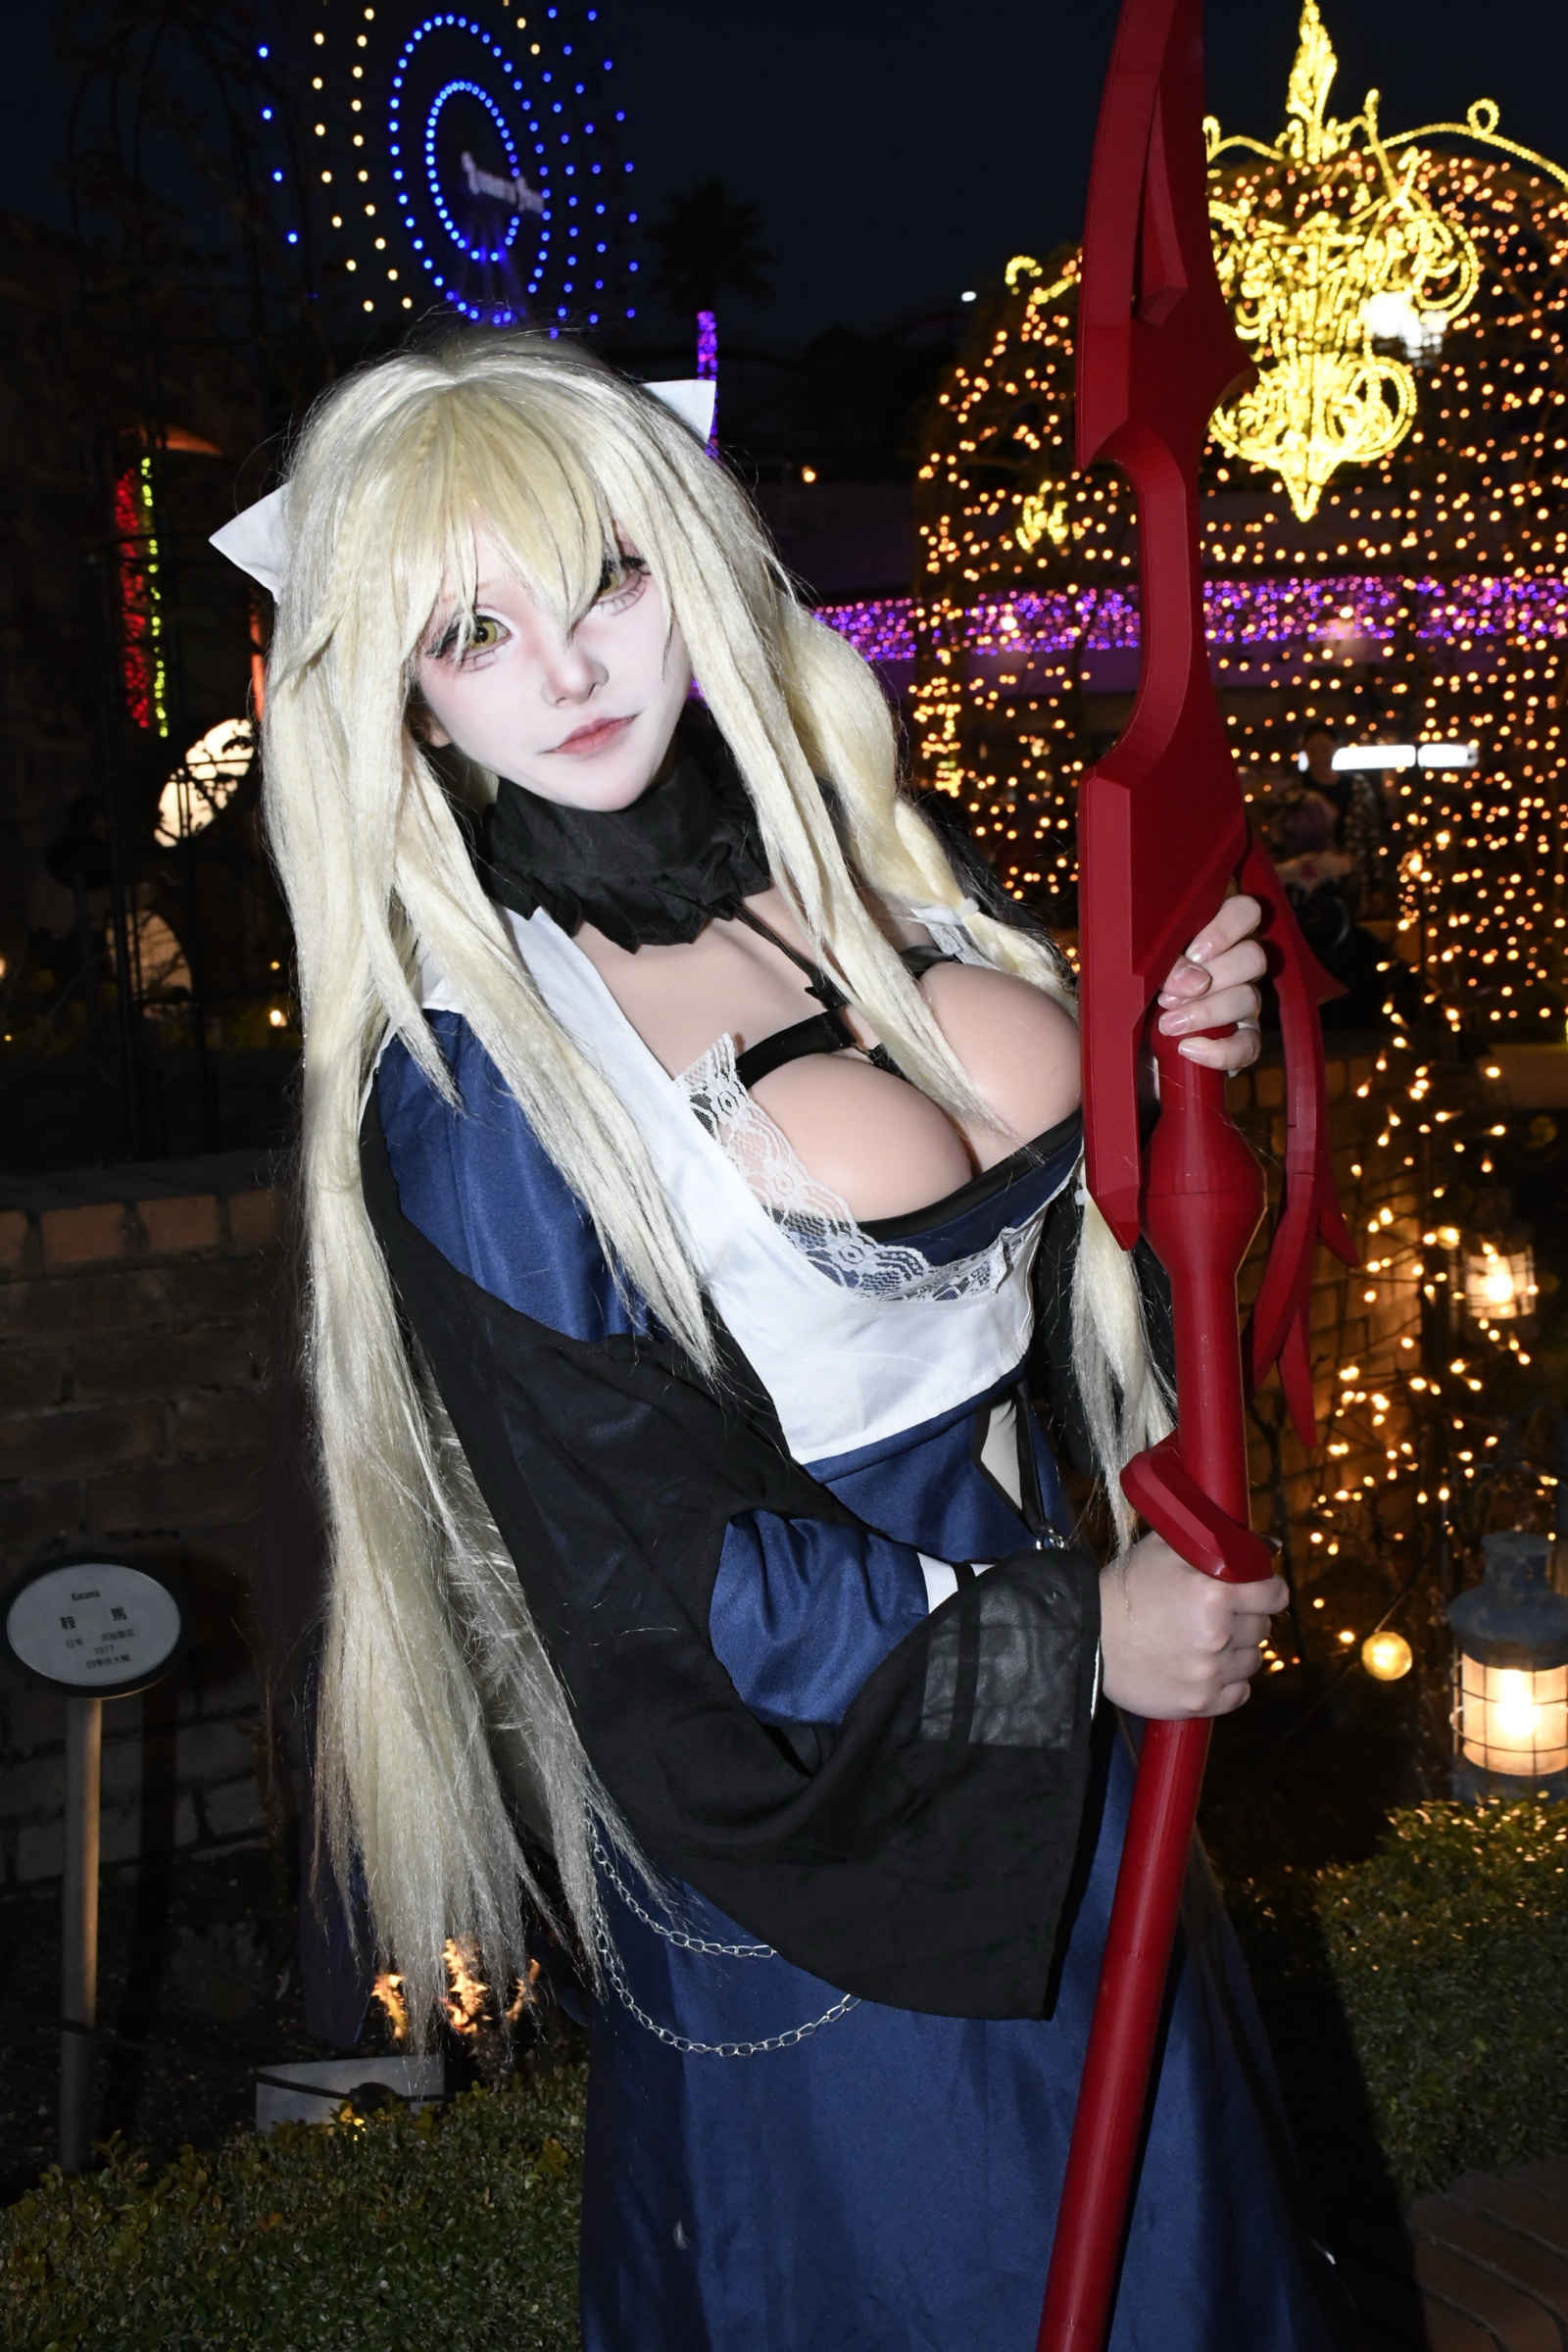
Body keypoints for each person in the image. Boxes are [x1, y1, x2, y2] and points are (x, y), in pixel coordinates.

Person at [227, 335, 1343, 2350]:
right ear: (396, 687)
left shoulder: (861, 866)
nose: (569, 669)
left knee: (1170, 2261)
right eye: (474, 631)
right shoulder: (477, 1088)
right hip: (835, 1792)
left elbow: (1083, 1257)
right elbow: (652, 1578)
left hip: (1069, 1720)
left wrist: (1179, 1051)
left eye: (607, 579)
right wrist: (1066, 1639)